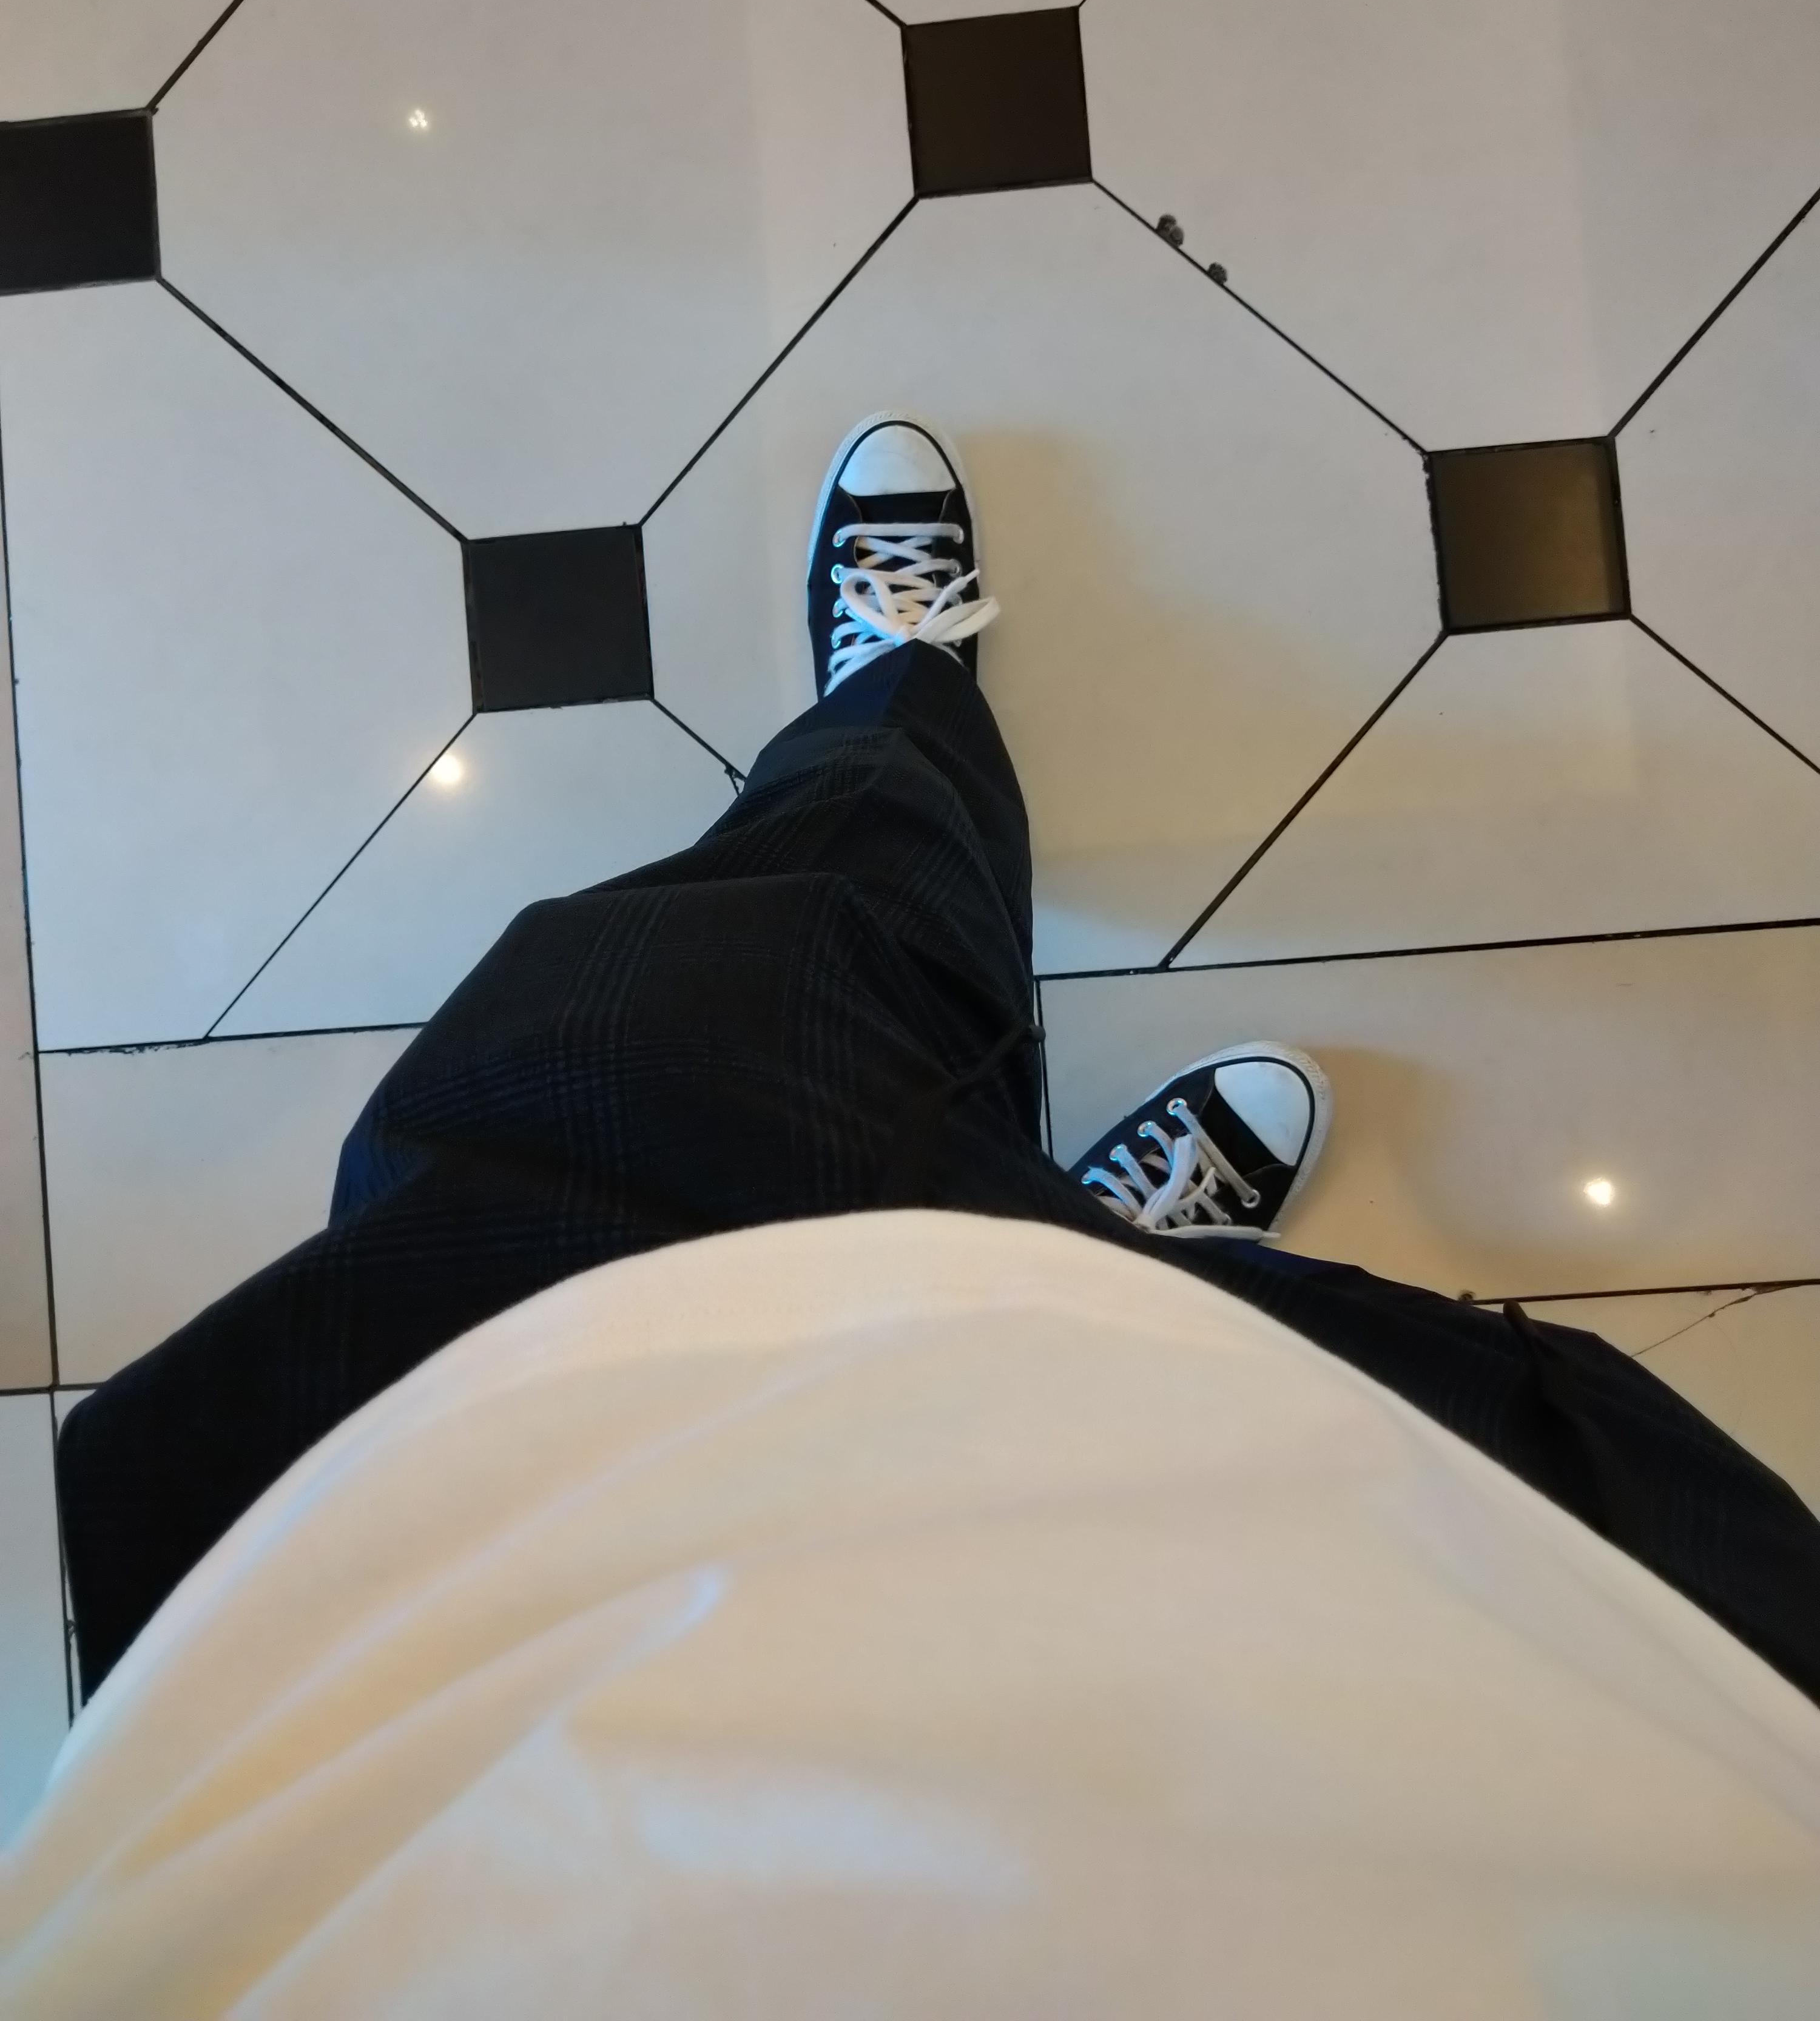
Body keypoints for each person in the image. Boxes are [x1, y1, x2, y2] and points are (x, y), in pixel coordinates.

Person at [10, 420, 1820, 2010]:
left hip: (461, 1645)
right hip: (1507, 1733)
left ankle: (898, 718)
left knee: (707, 1003)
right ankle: (1091, 1266)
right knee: (1313, 1406)